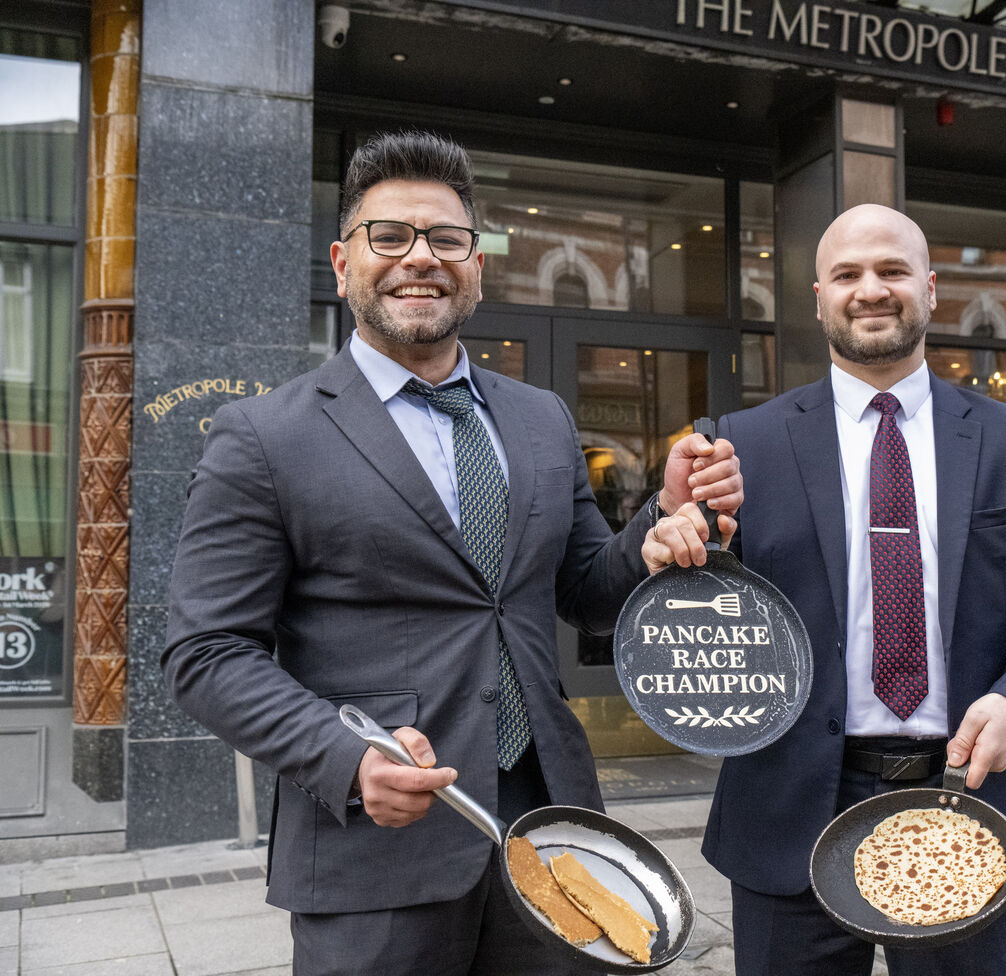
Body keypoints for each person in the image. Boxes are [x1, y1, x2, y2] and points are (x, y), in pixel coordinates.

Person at [161, 130, 743, 976]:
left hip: (553, 830)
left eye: (446, 239)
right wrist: (345, 757)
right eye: (388, 236)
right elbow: (206, 652)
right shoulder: (263, 436)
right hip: (374, 851)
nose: (418, 259)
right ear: (341, 261)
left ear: (477, 265)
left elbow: (583, 591)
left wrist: (660, 525)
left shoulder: (540, 417)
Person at [701, 204, 1006, 976]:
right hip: (790, 810)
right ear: (818, 296)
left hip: (962, 797)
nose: (871, 289)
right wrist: (677, 531)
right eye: (848, 274)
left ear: (931, 287)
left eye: (891, 270)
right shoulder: (744, 442)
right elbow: (693, 599)